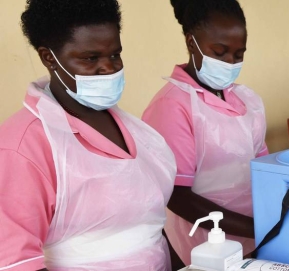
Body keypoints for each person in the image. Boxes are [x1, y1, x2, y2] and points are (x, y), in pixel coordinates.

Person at [0, 0, 177, 270]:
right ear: (49, 57)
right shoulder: (23, 147)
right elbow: (16, 261)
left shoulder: (133, 130)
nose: (109, 68)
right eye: (90, 58)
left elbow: (149, 223)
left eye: (115, 54)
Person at [142, 0, 268, 267]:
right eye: (220, 52)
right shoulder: (172, 106)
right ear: (192, 43)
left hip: (254, 235)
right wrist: (255, 227)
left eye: (238, 54)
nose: (230, 63)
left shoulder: (246, 100)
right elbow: (177, 196)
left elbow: (265, 167)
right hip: (203, 244)